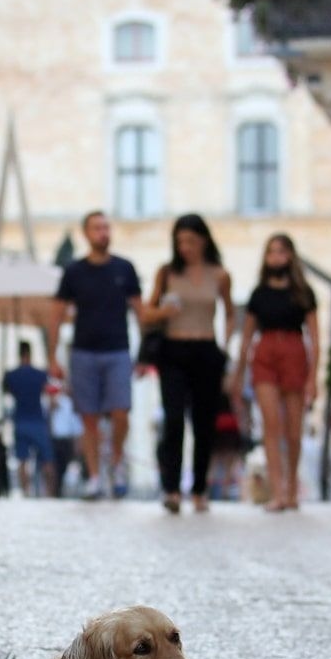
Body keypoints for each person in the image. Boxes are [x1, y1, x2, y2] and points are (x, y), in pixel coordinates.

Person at [47, 211, 173, 500]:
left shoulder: (124, 269)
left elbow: (140, 314)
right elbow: (55, 316)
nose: (103, 232)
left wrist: (146, 353)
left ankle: (115, 463)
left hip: (117, 350)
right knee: (88, 417)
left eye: (106, 227)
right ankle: (93, 476)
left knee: (121, 413)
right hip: (83, 352)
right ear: (86, 233)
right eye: (97, 228)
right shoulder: (74, 272)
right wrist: (53, 358)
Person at [146, 214, 237, 514]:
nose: (185, 247)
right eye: (179, 241)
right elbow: (147, 312)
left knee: (204, 423)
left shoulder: (220, 275)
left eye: (191, 241)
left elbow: (230, 312)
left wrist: (224, 344)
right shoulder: (167, 273)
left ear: (204, 240)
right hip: (173, 349)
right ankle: (171, 489)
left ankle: (199, 489)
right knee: (173, 420)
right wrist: (162, 314)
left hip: (206, 349)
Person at [230, 234, 320, 512]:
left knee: (294, 428)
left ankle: (292, 488)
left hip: (294, 351)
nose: (276, 257)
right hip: (265, 353)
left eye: (281, 251)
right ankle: (277, 491)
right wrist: (238, 372)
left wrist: (313, 377)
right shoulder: (258, 295)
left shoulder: (303, 293)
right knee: (271, 425)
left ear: (290, 256)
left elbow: (315, 338)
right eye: (271, 252)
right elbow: (246, 337)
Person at [2, 341, 57, 498]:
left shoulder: (12, 375)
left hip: (20, 421)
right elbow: (51, 397)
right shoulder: (40, 374)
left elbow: (6, 392)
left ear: (19, 354)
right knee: (47, 459)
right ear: (30, 353)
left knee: (22, 459)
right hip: (38, 421)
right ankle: (50, 493)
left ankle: (25, 492)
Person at [48, 386, 83, 497]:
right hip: (55, 440)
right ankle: (56, 492)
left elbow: (75, 425)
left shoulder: (71, 404)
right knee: (57, 468)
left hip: (68, 440)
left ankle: (70, 492)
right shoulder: (52, 403)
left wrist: (77, 442)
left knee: (71, 469)